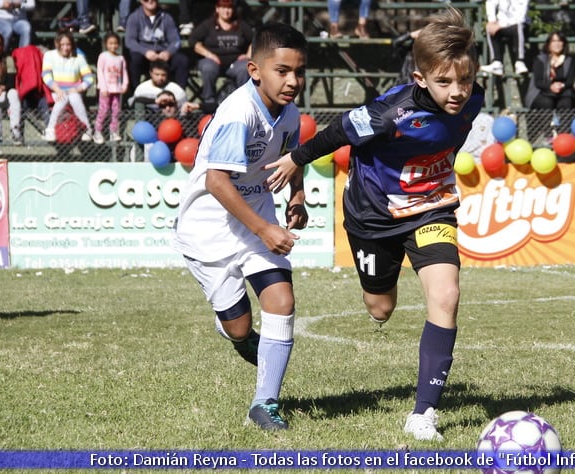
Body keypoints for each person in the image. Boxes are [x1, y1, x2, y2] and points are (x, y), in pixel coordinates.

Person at [265, 7, 484, 442]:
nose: (458, 92)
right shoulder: (389, 113)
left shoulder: (472, 98)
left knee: (446, 295)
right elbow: (337, 133)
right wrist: (294, 160)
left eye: (464, 80)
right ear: (421, 79)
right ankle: (386, 278)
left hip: (431, 209)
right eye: (444, 83)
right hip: (372, 216)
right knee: (379, 308)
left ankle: (423, 414)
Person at [171, 22, 309, 431]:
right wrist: (267, 230)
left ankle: (263, 404)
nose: (292, 81)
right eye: (282, 71)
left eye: (299, 72)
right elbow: (216, 182)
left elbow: (292, 159)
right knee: (239, 327)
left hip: (256, 216)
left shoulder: (290, 113)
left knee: (282, 300)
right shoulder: (239, 113)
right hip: (208, 228)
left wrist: (296, 198)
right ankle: (235, 332)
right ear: (254, 70)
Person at [190, 0, 255, 112]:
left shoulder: (240, 24)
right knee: (208, 67)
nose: (226, 11)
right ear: (217, 9)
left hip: (235, 63)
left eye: (229, 8)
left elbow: (255, 40)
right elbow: (193, 41)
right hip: (213, 61)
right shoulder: (208, 24)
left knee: (245, 67)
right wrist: (209, 54)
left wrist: (248, 55)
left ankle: (243, 104)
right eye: (223, 7)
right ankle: (209, 103)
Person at [124, 0, 190, 94]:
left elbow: (175, 41)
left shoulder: (166, 17)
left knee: (182, 60)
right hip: (144, 56)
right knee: (134, 59)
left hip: (163, 55)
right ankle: (135, 96)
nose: (150, 1)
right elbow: (130, 41)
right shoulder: (134, 17)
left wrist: (168, 52)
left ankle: (179, 96)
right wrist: (145, 52)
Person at [41, 32, 94, 142]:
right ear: (57, 44)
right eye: (62, 44)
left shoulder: (79, 58)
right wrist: (57, 89)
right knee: (63, 97)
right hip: (56, 93)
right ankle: (50, 129)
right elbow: (46, 75)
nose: (65, 48)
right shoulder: (49, 55)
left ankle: (87, 129)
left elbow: (89, 78)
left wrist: (78, 88)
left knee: (74, 96)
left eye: (68, 44)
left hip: (73, 93)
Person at [525, 31, 575, 110]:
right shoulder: (540, 59)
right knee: (546, 102)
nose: (557, 44)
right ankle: (545, 122)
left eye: (560, 41)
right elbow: (538, 82)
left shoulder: (569, 60)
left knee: (566, 102)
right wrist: (551, 86)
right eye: (554, 41)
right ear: (549, 44)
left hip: (562, 92)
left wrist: (561, 86)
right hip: (542, 92)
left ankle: (564, 122)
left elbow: (570, 80)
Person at [94, 32, 129, 144]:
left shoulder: (121, 58)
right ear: (106, 44)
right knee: (103, 111)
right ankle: (97, 131)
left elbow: (124, 72)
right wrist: (103, 87)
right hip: (106, 90)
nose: (113, 46)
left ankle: (113, 132)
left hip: (116, 90)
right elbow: (99, 71)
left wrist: (124, 85)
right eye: (110, 43)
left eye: (115, 43)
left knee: (116, 111)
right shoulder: (103, 56)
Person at [479, 0, 529, 76]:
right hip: (501, 24)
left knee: (519, 27)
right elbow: (491, 3)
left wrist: (500, 25)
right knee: (489, 27)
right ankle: (497, 62)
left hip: (518, 25)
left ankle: (520, 62)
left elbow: (520, 18)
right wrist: (492, 21)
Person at [130, 60, 199, 115]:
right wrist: (156, 101)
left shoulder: (177, 90)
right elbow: (132, 104)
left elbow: (183, 111)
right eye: (157, 74)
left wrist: (172, 102)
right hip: (148, 122)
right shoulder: (142, 88)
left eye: (163, 75)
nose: (160, 78)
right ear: (150, 73)